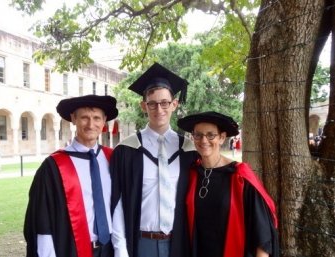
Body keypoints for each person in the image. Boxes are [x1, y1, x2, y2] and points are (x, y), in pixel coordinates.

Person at [110, 62, 198, 257]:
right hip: (142, 244)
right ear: (144, 106)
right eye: (152, 103)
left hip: (180, 244)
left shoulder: (189, 151)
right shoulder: (126, 151)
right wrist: (121, 249)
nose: (159, 109)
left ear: (174, 104)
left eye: (165, 102)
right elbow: (117, 203)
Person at [24, 94, 119, 257]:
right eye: (84, 118)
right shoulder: (53, 166)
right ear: (73, 119)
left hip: (112, 249)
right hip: (71, 249)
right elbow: (42, 218)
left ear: (104, 122)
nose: (91, 124)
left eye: (97, 118)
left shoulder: (114, 159)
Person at [177, 111, 279, 257]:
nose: (203, 140)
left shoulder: (240, 176)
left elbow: (261, 232)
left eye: (211, 135)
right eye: (198, 135)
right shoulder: (192, 174)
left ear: (222, 137)